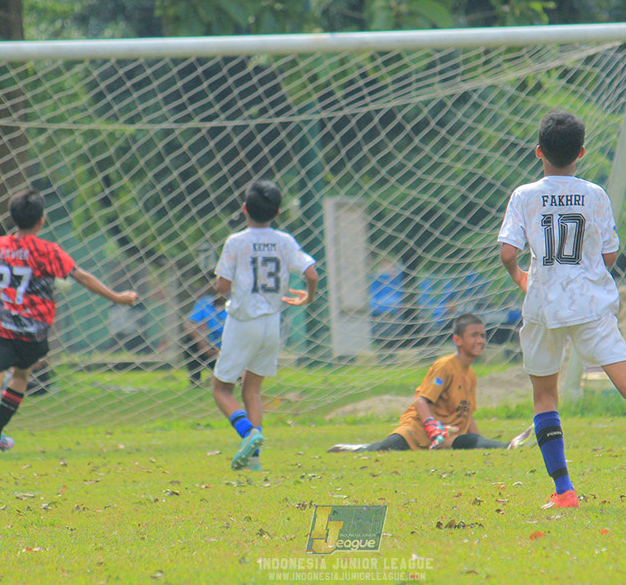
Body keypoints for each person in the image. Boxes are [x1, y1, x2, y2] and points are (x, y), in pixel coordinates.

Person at [497, 109, 626, 510]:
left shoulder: (525, 195)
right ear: (581, 152)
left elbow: (508, 251)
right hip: (592, 302)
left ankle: (564, 491)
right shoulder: (595, 194)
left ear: (538, 152)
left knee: (545, 395)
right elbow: (610, 255)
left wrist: (522, 276)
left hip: (545, 304)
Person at [0, 188, 137, 460]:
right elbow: (81, 277)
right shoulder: (48, 251)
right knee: (21, 376)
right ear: (41, 220)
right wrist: (117, 296)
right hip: (32, 331)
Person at [212, 179, 318, 472]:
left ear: (244, 208)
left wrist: (218, 284)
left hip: (243, 322)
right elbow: (311, 274)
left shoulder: (236, 242)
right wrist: (308, 298)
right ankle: (254, 460)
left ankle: (250, 433)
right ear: (277, 213)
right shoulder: (285, 241)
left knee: (221, 390)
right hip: (272, 324)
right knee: (253, 389)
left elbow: (222, 286)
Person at [327, 313, 533, 452]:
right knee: (389, 447)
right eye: (474, 336)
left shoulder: (471, 375)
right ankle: (357, 449)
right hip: (420, 427)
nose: (480, 340)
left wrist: (482, 442)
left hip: (445, 435)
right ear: (457, 340)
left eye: (482, 336)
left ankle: (508, 446)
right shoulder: (445, 366)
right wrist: (432, 426)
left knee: (469, 441)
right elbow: (421, 401)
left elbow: (467, 414)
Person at [183, 290, 226, 386]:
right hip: (209, 349)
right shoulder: (204, 303)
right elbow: (188, 324)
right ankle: (195, 381)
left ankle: (241, 380)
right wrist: (204, 344)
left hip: (229, 350)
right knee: (189, 340)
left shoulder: (236, 303)